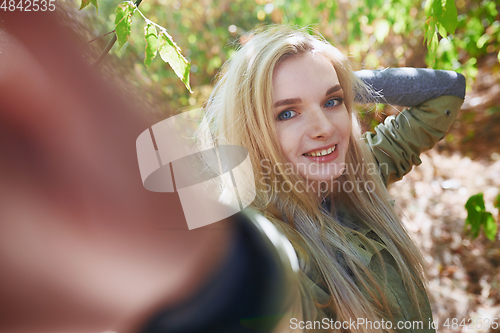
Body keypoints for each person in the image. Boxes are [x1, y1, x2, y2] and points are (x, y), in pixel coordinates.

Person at [194, 26, 466, 332]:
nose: (323, 127)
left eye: (331, 103)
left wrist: (340, 83)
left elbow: (447, 90)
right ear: (253, 131)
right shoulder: (266, 251)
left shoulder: (360, 174)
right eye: (287, 113)